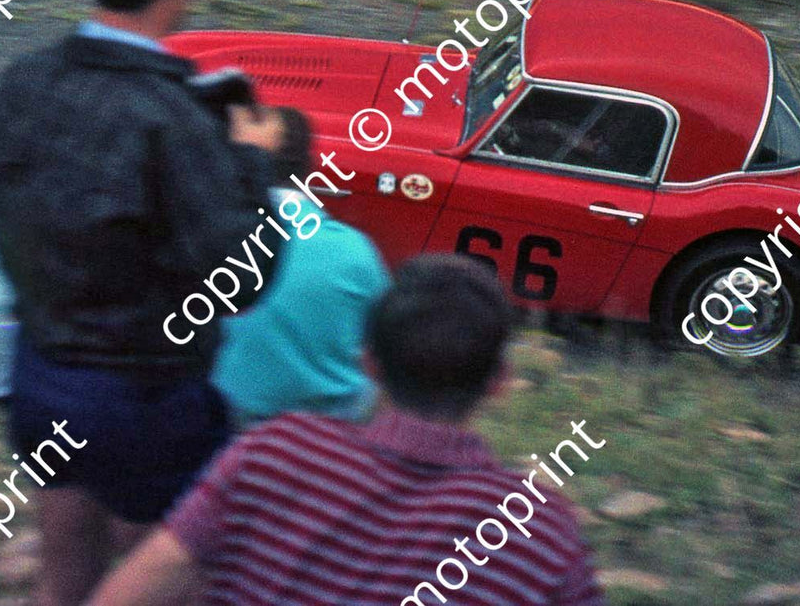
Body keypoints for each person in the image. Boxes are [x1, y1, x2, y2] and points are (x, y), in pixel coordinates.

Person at [0, 0, 285, 606]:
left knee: (62, 573)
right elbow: (245, 274)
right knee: (167, 582)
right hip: (146, 398)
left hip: (42, 372)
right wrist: (252, 162)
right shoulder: (174, 118)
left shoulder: (21, 82)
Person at [86, 253, 608, 606]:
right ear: (499, 382)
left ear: (369, 364)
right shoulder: (540, 534)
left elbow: (139, 585)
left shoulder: (272, 452)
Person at [211, 108, 390, 426]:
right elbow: (390, 360)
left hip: (222, 428)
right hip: (333, 436)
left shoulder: (202, 245)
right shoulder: (356, 253)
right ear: (307, 167)